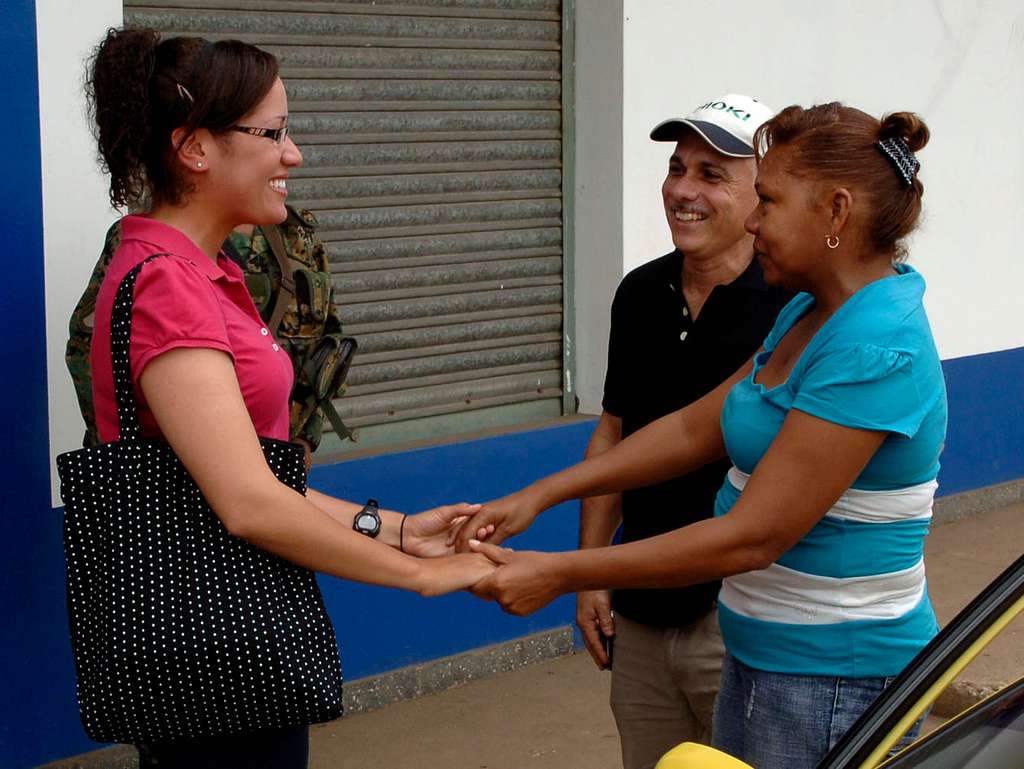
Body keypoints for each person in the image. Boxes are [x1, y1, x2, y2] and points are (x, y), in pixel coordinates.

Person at [463, 103, 946, 769]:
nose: (753, 220)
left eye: (769, 201)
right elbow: (697, 426)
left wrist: (557, 571)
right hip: (766, 657)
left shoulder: (873, 345)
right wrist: (542, 494)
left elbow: (754, 535)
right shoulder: (812, 309)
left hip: (833, 681)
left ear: (836, 213)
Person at [83, 27, 494, 768]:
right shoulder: (169, 286)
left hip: (230, 643)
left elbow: (255, 480)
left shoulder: (204, 273)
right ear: (196, 148)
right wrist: (423, 575)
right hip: (214, 655)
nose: (293, 154)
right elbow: (248, 502)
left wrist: (399, 527)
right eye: (272, 133)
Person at [573, 94, 791, 769]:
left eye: (712, 174)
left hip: (738, 613)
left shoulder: (792, 309)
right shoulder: (640, 293)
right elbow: (615, 430)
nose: (683, 192)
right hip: (639, 607)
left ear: (763, 195)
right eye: (677, 168)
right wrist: (589, 571)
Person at [66, 203, 352, 469]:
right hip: (181, 472)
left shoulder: (295, 233)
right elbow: (90, 349)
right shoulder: (152, 241)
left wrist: (304, 438)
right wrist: (138, 458)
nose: (290, 156)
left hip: (278, 456)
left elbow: (327, 344)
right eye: (272, 143)